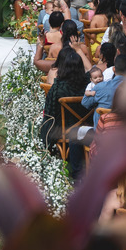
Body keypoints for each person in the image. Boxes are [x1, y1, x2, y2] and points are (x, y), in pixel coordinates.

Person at [41, 47, 90, 179]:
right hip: (85, 127)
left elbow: (50, 116)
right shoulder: (89, 86)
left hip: (63, 130)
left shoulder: (57, 88)